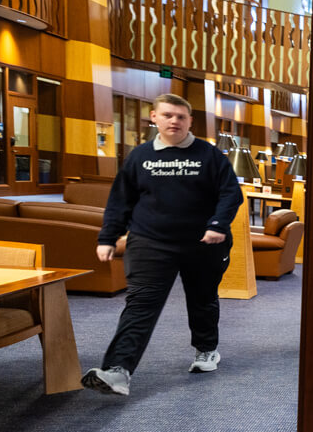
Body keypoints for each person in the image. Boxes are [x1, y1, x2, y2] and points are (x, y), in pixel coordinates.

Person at [82, 93, 243, 396]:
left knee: (202, 298)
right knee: (141, 304)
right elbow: (121, 201)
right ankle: (118, 370)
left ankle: (206, 349)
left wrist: (218, 224)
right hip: (150, 242)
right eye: (168, 115)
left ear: (190, 121)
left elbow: (230, 194)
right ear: (154, 117)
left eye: (181, 117)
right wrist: (108, 237)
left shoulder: (210, 156)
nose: (174, 121)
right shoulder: (140, 156)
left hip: (204, 243)